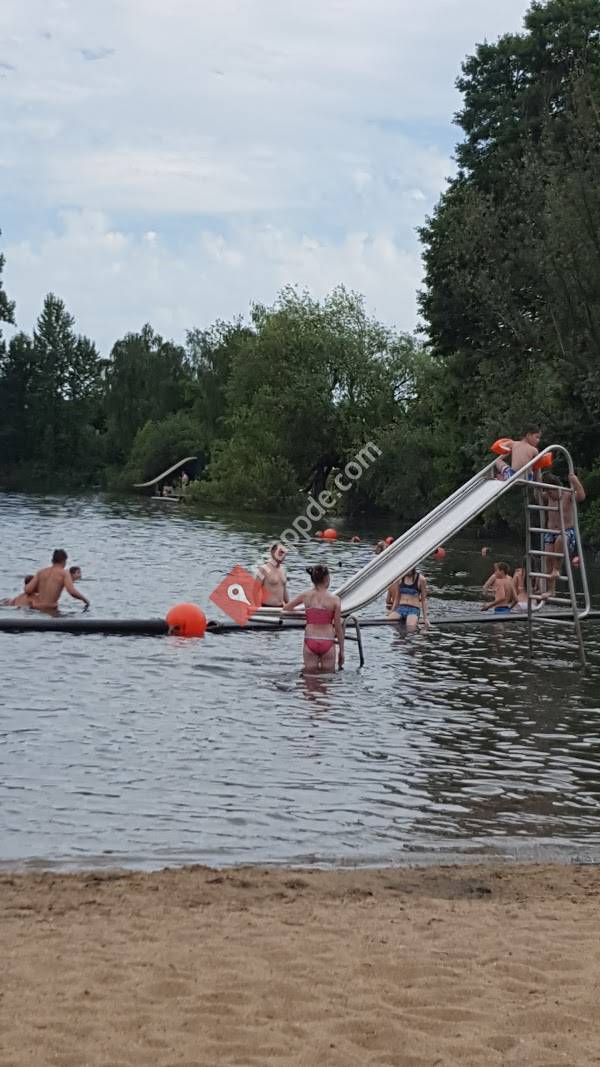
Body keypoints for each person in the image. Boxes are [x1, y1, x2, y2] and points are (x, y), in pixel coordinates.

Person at [284, 564, 344, 672]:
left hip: (310, 639)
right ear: (327, 578)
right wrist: (342, 651)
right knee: (327, 678)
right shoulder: (335, 600)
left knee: (309, 679)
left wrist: (302, 611)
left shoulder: (306, 595)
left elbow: (287, 608)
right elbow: (338, 627)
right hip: (328, 641)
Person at [541, 471, 586, 594]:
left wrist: (574, 480)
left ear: (556, 488)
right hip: (551, 531)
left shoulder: (567, 494)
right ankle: (551, 590)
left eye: (550, 492)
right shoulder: (548, 496)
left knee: (561, 539)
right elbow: (537, 496)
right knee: (548, 557)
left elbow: (581, 496)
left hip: (566, 531)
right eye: (547, 492)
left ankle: (557, 569)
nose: (549, 495)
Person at [25, 549, 90, 613]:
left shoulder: (41, 572)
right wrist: (85, 600)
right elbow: (71, 591)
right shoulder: (64, 573)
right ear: (64, 561)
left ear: (52, 560)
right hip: (51, 608)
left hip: (37, 607)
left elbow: (28, 590)